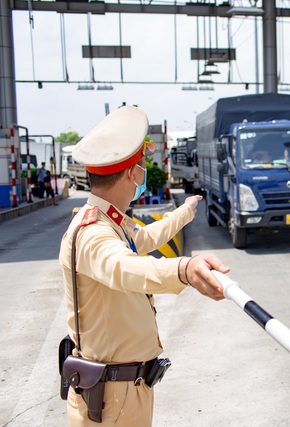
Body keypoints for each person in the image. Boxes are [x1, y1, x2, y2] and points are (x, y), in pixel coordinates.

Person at [58, 106, 230, 426]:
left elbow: (145, 238)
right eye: (142, 165)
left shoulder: (112, 222)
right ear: (133, 174)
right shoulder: (93, 233)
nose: (143, 173)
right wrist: (182, 269)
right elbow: (125, 268)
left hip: (122, 389)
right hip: (112, 397)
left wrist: (186, 211)